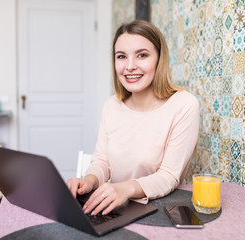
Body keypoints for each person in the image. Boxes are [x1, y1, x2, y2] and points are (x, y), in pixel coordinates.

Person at [67, 20, 199, 216]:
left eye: (142, 55)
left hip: (159, 211)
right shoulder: (112, 105)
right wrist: (90, 180)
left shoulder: (184, 104)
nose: (129, 66)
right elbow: (102, 161)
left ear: (159, 59)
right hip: (115, 208)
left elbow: (169, 176)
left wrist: (125, 189)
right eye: (121, 56)